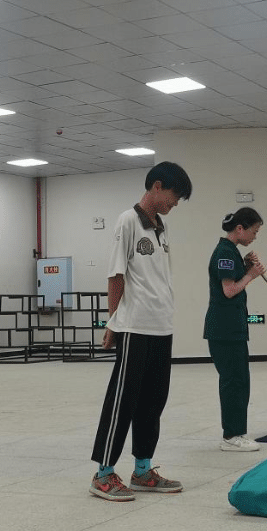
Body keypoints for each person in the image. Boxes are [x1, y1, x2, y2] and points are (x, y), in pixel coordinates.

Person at [89, 161, 193, 502]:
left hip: (162, 326)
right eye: (174, 196)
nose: (175, 204)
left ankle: (143, 470)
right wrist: (112, 321)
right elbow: (116, 275)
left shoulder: (161, 227)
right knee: (123, 402)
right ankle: (103, 473)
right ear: (157, 186)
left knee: (153, 403)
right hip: (134, 327)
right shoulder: (128, 221)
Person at [204, 207, 267, 452]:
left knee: (240, 380)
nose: (255, 236)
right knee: (233, 381)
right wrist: (251, 274)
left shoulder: (232, 252)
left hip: (232, 327)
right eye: (254, 231)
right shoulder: (225, 252)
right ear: (240, 228)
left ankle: (237, 432)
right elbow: (229, 290)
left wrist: (245, 265)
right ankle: (231, 435)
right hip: (224, 328)